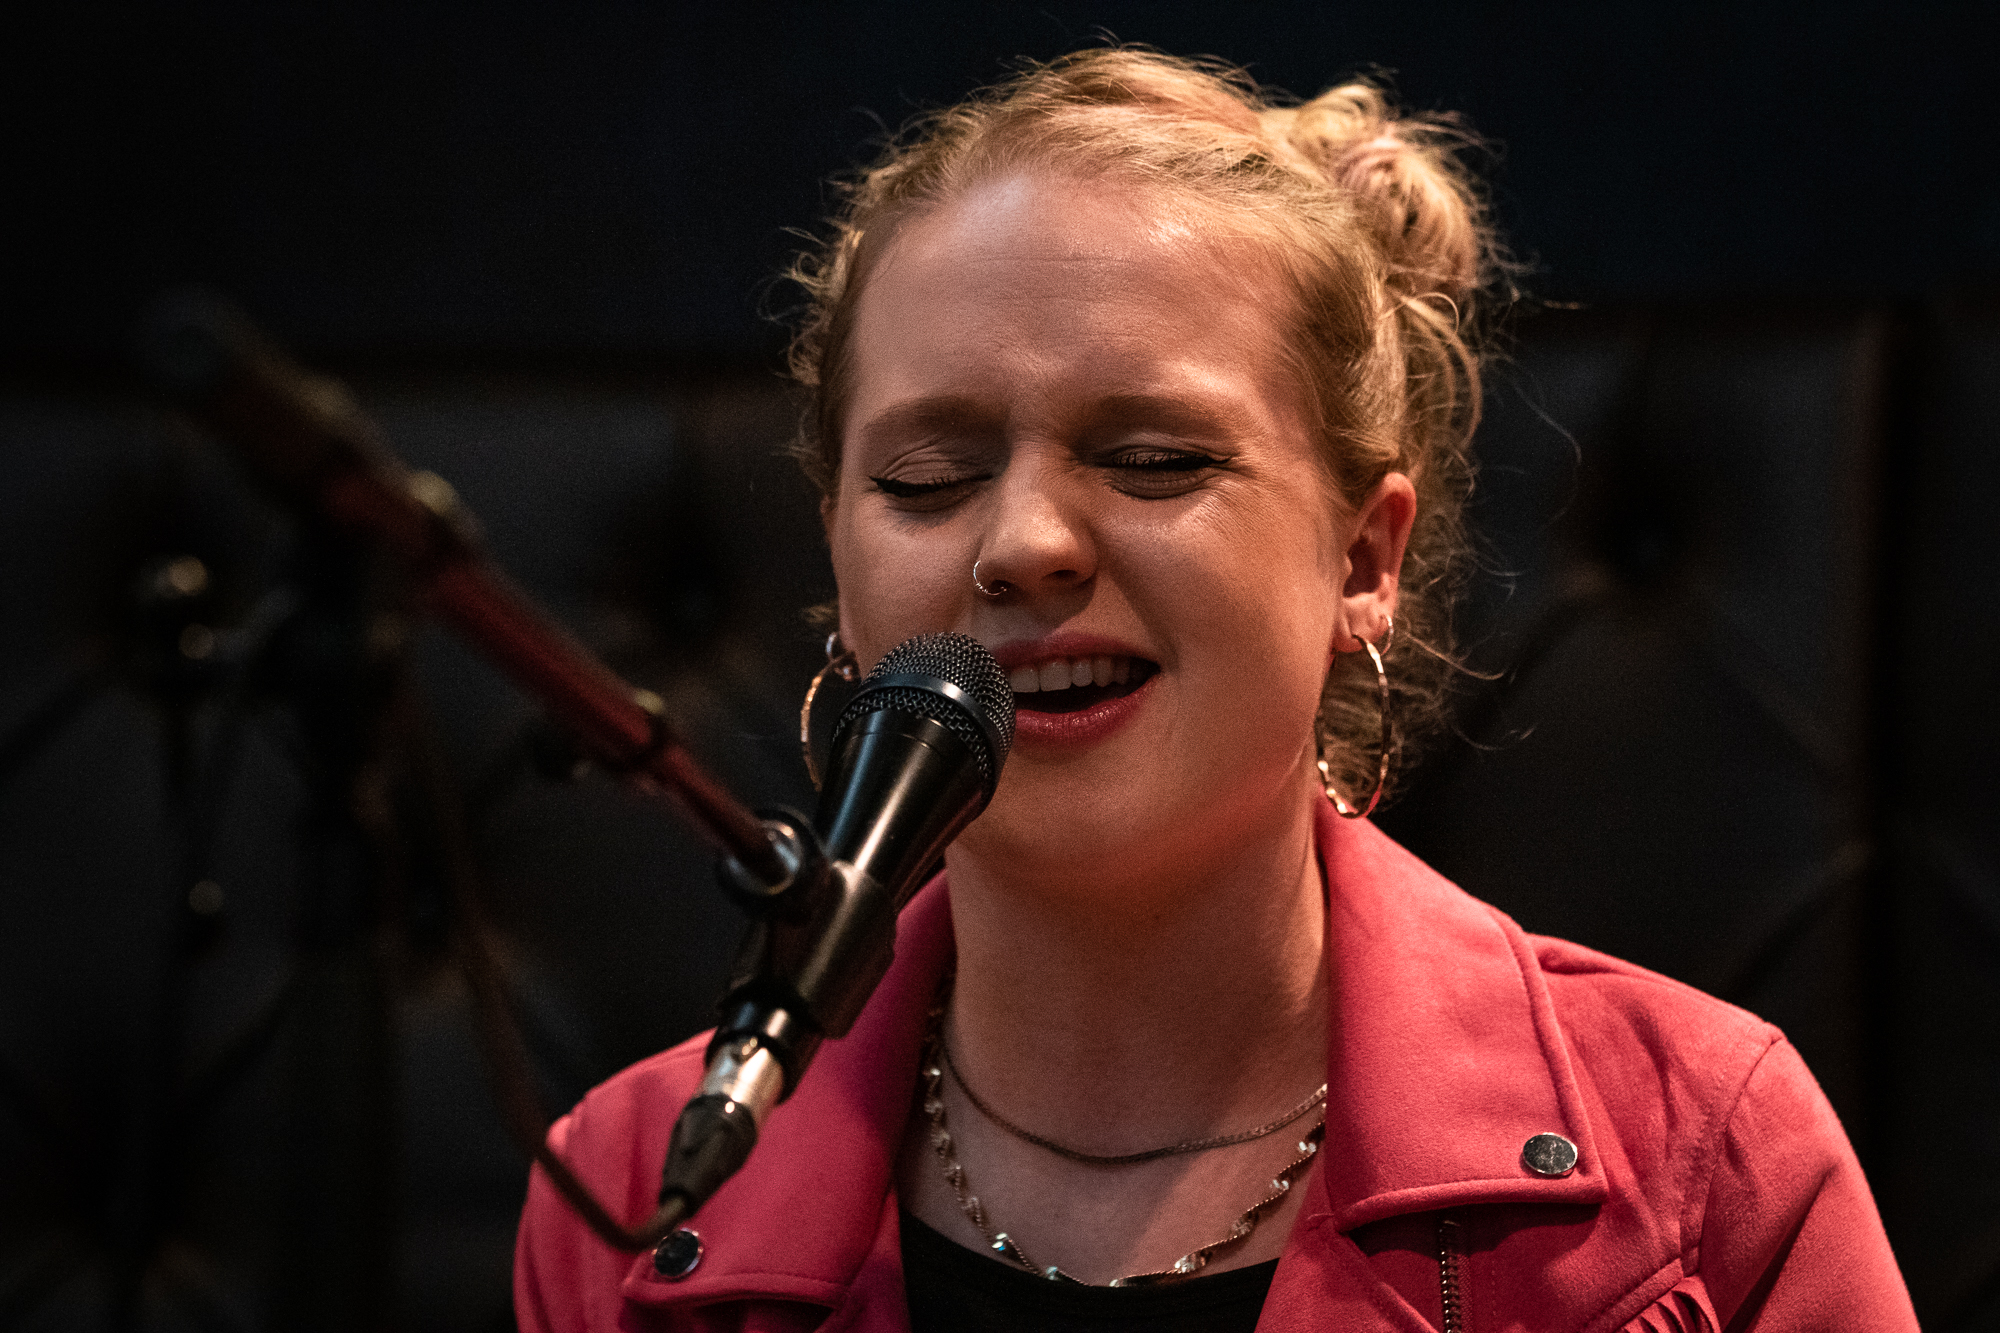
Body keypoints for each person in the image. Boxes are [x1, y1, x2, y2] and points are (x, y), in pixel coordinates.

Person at [514, 48, 1916, 1332]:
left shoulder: (1704, 1162)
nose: (1024, 544)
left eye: (1155, 461)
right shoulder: (628, 1190)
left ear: (1363, 558)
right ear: (837, 552)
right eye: (927, 480)